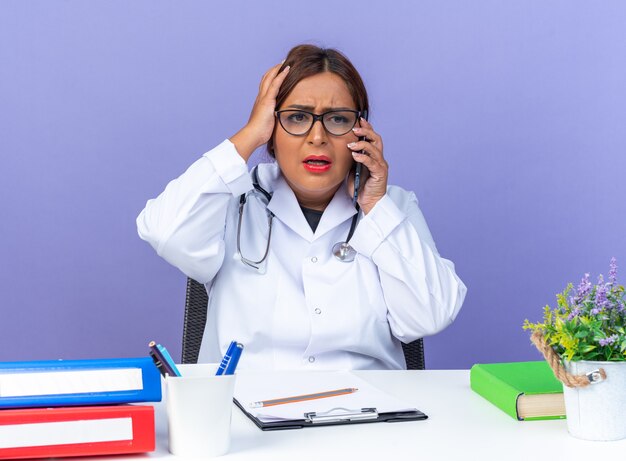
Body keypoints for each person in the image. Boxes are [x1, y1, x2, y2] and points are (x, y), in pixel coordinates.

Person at [137, 44, 466, 370]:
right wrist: (249, 134)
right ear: (271, 131)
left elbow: (430, 315)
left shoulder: (390, 206)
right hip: (244, 411)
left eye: (337, 119)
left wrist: (374, 206)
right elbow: (164, 231)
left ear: (361, 132)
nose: (318, 136)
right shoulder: (231, 201)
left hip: (367, 413)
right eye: (297, 117)